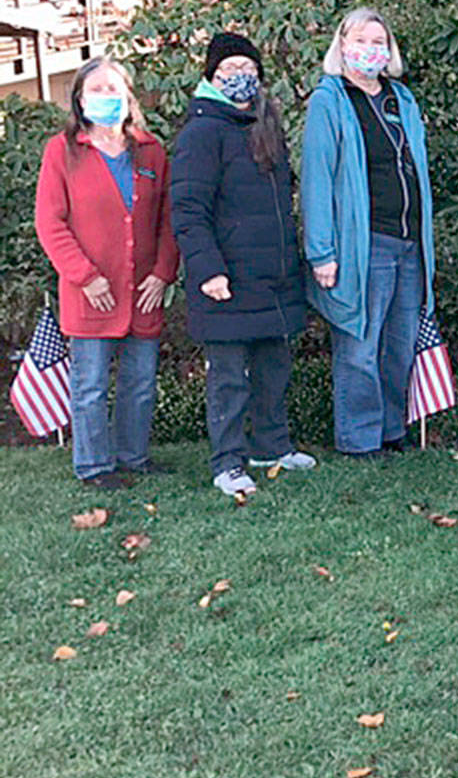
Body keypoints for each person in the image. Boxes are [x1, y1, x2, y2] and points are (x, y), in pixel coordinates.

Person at [170, 33, 314, 500]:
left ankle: (272, 447)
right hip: (226, 280)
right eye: (229, 68)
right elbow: (188, 210)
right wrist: (208, 270)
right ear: (211, 76)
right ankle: (228, 463)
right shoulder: (201, 133)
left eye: (248, 68)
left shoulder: (264, 124)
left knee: (274, 371)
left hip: (272, 277)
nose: (240, 77)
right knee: (229, 380)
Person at [34, 58, 179, 489]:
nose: (105, 96)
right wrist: (85, 275)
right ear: (79, 99)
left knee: (140, 383)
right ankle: (95, 466)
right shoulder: (62, 151)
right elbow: (50, 222)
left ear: (129, 96)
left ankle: (133, 456)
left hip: (143, 292)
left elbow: (169, 220)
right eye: (95, 89)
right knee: (91, 386)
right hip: (91, 293)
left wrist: (163, 272)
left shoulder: (151, 151)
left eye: (113, 88)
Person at [300, 7, 435, 458]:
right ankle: (358, 440)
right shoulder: (331, 100)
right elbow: (317, 177)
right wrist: (322, 252)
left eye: (378, 42)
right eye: (360, 41)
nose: (369, 50)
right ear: (342, 46)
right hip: (364, 246)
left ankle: (391, 430)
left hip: (409, 244)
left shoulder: (401, 99)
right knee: (360, 347)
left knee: (400, 344)